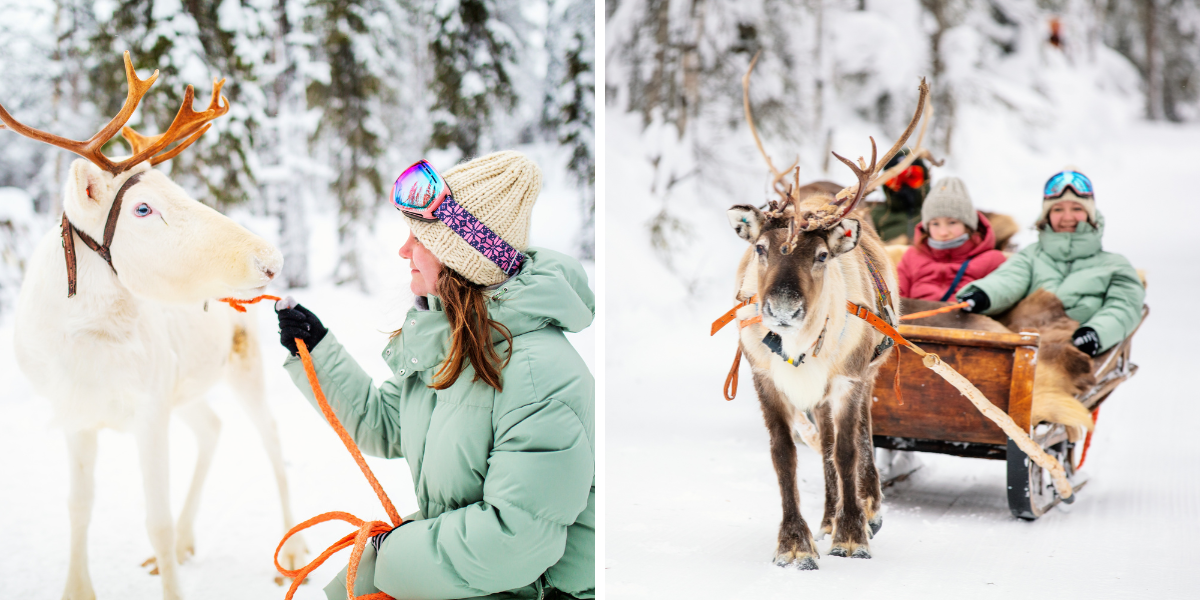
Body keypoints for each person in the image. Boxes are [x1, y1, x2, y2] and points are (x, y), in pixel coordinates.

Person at [275, 151, 596, 600]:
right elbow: (385, 424)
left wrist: (391, 554)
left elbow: (515, 540)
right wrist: (318, 349)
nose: (404, 249)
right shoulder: (451, 344)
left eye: (419, 238)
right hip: (478, 580)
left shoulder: (538, 376)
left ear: (463, 257)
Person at [958, 169, 1144, 357]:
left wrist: (1095, 333)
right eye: (1058, 209)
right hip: (1023, 347)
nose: (1067, 217)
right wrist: (984, 294)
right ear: (1047, 215)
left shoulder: (1115, 266)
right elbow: (1008, 280)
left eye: (1077, 209)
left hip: (1072, 354)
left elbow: (1124, 307)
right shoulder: (1031, 256)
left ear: (1091, 214)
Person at [897, 177, 1007, 301]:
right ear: (926, 226)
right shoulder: (911, 257)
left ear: (967, 225)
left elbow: (1002, 295)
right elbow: (897, 298)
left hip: (967, 319)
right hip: (914, 319)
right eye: (935, 224)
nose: (943, 232)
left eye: (952, 222)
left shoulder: (992, 260)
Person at [869, 147, 931, 244]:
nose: (904, 186)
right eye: (896, 180)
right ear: (886, 183)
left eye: (912, 177)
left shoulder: (939, 216)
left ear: (925, 179)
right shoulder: (872, 217)